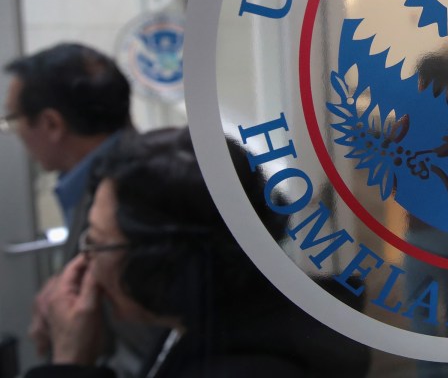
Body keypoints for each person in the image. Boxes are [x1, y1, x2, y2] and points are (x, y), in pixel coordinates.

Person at [25, 128, 370, 377]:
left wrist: (68, 362)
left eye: (97, 243)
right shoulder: (210, 320)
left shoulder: (244, 367)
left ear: (161, 259)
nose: (86, 262)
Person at [2, 43, 134, 360]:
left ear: (51, 124)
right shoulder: (103, 175)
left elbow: (139, 339)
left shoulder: (130, 197)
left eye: (13, 118)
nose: (14, 132)